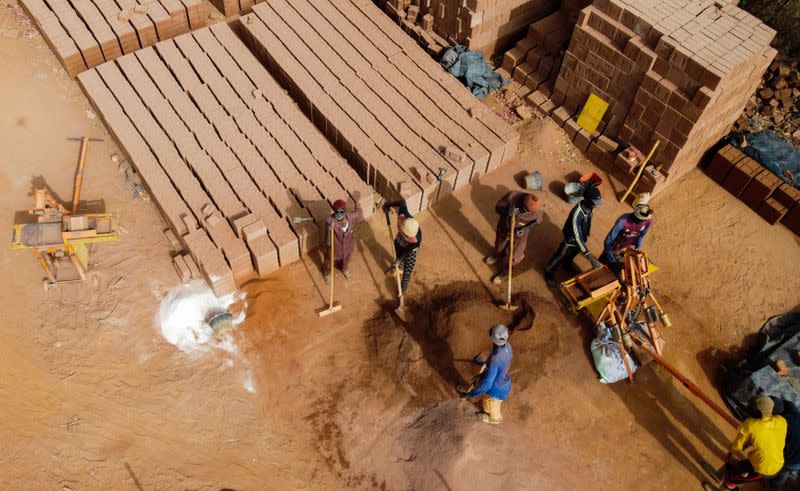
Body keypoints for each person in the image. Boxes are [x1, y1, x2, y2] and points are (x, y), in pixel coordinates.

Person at [703, 395, 787, 491]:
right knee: (736, 466)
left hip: (763, 469)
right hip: (775, 462)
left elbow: (735, 447)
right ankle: (718, 476)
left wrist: (737, 456)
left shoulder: (751, 424)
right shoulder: (781, 421)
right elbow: (767, 438)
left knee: (732, 478)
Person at [544, 183, 603, 287]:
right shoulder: (577, 214)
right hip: (571, 239)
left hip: (581, 239)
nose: (596, 205)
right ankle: (549, 271)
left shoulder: (589, 208)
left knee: (574, 253)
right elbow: (577, 236)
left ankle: (567, 264)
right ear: (587, 200)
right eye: (594, 203)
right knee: (561, 255)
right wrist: (590, 257)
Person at [485, 191, 544, 285]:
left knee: (515, 257)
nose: (526, 212)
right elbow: (497, 208)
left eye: (529, 212)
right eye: (525, 209)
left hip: (520, 235)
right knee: (499, 246)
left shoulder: (538, 210)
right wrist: (507, 211)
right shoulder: (512, 196)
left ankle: (505, 273)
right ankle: (499, 255)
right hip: (505, 227)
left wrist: (524, 228)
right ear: (523, 202)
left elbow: (536, 221)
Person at [459, 324, 513, 425]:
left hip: (496, 390)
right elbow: (504, 361)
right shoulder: (507, 346)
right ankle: (487, 410)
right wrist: (485, 372)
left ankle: (494, 419)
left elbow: (486, 385)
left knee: (492, 404)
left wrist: (470, 394)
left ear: (493, 339)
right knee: (486, 399)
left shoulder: (495, 359)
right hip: (503, 380)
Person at [601, 192, 653, 277]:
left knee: (625, 274)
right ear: (635, 216)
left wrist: (637, 250)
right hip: (613, 248)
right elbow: (608, 242)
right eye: (640, 219)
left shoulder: (647, 221)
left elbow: (641, 236)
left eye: (644, 220)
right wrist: (612, 260)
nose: (642, 221)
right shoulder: (622, 222)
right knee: (603, 267)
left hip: (626, 249)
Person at [383, 200, 421, 293]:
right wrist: (388, 205)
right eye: (406, 235)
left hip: (410, 250)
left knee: (407, 271)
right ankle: (399, 268)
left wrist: (400, 258)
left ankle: (402, 291)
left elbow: (408, 251)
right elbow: (402, 202)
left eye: (408, 236)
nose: (407, 237)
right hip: (399, 241)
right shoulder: (403, 214)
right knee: (397, 253)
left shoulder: (416, 240)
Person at [322, 199, 363, 284]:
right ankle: (327, 273)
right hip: (335, 248)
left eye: (342, 212)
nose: (339, 215)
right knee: (329, 259)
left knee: (347, 258)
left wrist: (357, 226)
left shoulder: (352, 216)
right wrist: (330, 230)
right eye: (337, 212)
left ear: (345, 211)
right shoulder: (330, 221)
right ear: (334, 211)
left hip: (348, 245)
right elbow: (327, 240)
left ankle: (344, 269)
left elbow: (359, 211)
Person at [770, 397, 800, 488]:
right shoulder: (792, 410)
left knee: (782, 472)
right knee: (785, 472)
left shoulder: (783, 424)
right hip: (797, 462)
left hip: (792, 461)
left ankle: (773, 486)